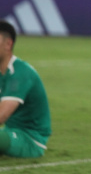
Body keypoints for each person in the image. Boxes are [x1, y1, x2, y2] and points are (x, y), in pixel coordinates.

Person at [0, 21, 52, 158]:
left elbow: (2, 115)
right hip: (10, 132)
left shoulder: (20, 73)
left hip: (31, 140)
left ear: (8, 44)